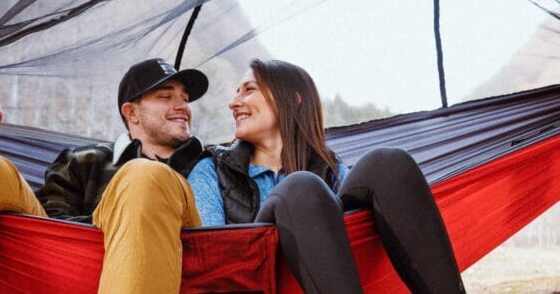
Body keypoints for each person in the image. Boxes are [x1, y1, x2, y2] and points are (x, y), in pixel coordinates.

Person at [0, 58, 209, 294]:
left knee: (146, 177)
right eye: (166, 97)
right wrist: (113, 224)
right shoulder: (85, 160)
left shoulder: (212, 165)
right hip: (62, 265)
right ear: (131, 113)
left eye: (184, 98)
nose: (183, 106)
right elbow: (52, 227)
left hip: (180, 267)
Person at [188, 59, 466, 294]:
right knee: (300, 187)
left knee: (388, 162)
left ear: (292, 100)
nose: (233, 103)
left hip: (336, 277)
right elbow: (211, 258)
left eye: (249, 90)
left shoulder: (330, 171)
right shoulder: (212, 168)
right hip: (259, 282)